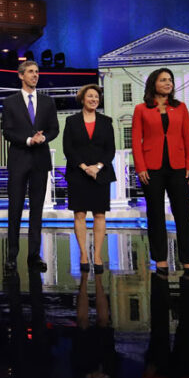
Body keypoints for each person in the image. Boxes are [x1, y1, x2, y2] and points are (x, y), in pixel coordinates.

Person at [132, 68, 189, 277]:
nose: (168, 83)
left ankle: (188, 260)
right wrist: (140, 167)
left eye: (170, 80)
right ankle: (160, 259)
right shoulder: (141, 109)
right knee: (155, 214)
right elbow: (136, 141)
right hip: (151, 169)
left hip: (178, 167)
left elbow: (188, 137)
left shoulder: (181, 108)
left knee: (183, 215)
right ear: (154, 84)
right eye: (163, 80)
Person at [1, 60, 59, 273]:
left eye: (37, 72)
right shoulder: (10, 102)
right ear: (21, 75)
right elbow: (7, 131)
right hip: (18, 160)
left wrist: (43, 138)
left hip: (40, 161)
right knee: (14, 209)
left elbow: (54, 128)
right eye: (31, 72)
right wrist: (28, 140)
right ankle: (12, 256)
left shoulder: (47, 102)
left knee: (36, 210)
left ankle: (34, 255)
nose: (35, 75)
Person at [62, 84, 116, 274]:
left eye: (96, 97)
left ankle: (98, 255)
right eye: (90, 96)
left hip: (100, 173)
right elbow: (68, 149)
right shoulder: (71, 121)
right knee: (80, 214)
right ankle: (84, 254)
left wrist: (98, 167)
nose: (94, 99)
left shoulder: (106, 121)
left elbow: (110, 149)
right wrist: (85, 167)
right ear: (82, 99)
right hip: (78, 173)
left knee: (100, 214)